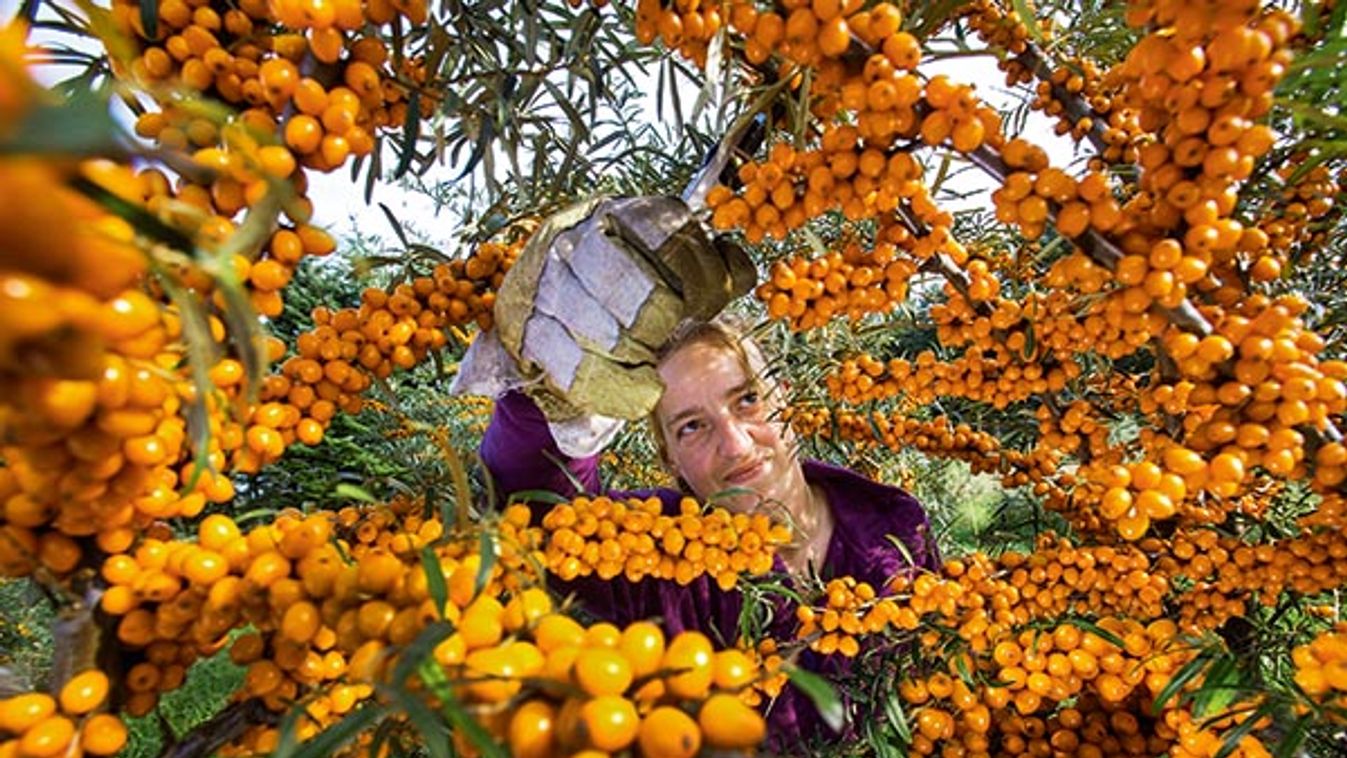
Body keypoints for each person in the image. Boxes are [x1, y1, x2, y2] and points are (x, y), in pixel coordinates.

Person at [480, 316, 939, 750]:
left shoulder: (896, 526)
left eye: (748, 399)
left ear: (787, 398)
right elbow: (537, 504)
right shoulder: (654, 548)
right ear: (670, 460)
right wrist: (549, 390)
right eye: (693, 426)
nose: (736, 444)